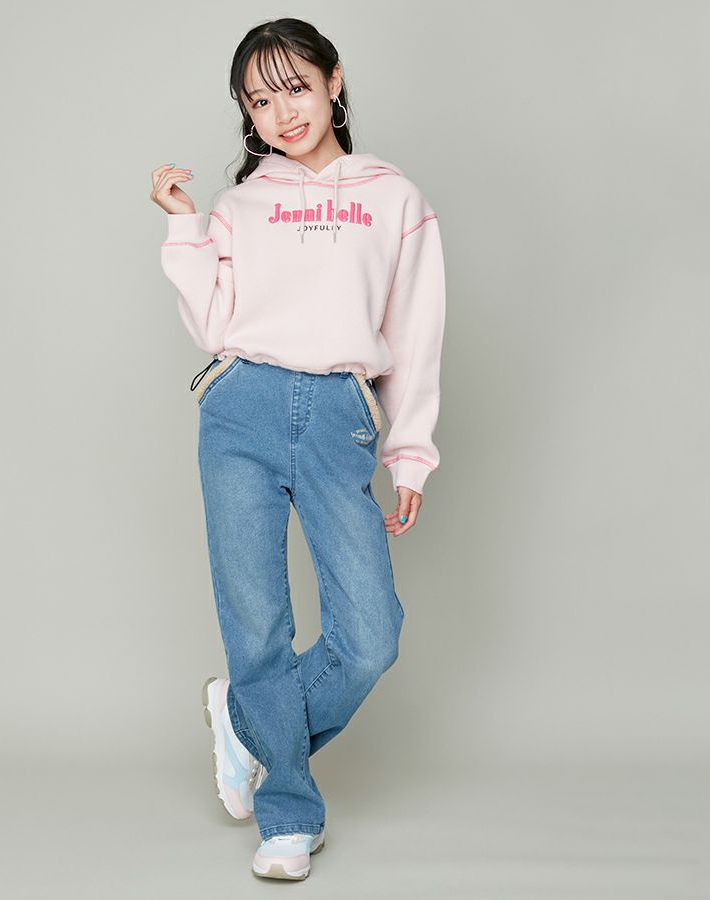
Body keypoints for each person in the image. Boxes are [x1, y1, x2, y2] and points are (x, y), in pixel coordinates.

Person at [150, 17, 446, 881]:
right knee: (258, 627)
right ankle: (287, 816)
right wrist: (184, 226)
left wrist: (411, 452)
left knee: (371, 635)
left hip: (336, 417)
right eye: (259, 100)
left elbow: (416, 332)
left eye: (296, 88)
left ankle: (243, 722)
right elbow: (213, 325)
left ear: (333, 81)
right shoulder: (240, 206)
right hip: (238, 408)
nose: (282, 113)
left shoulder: (394, 198)